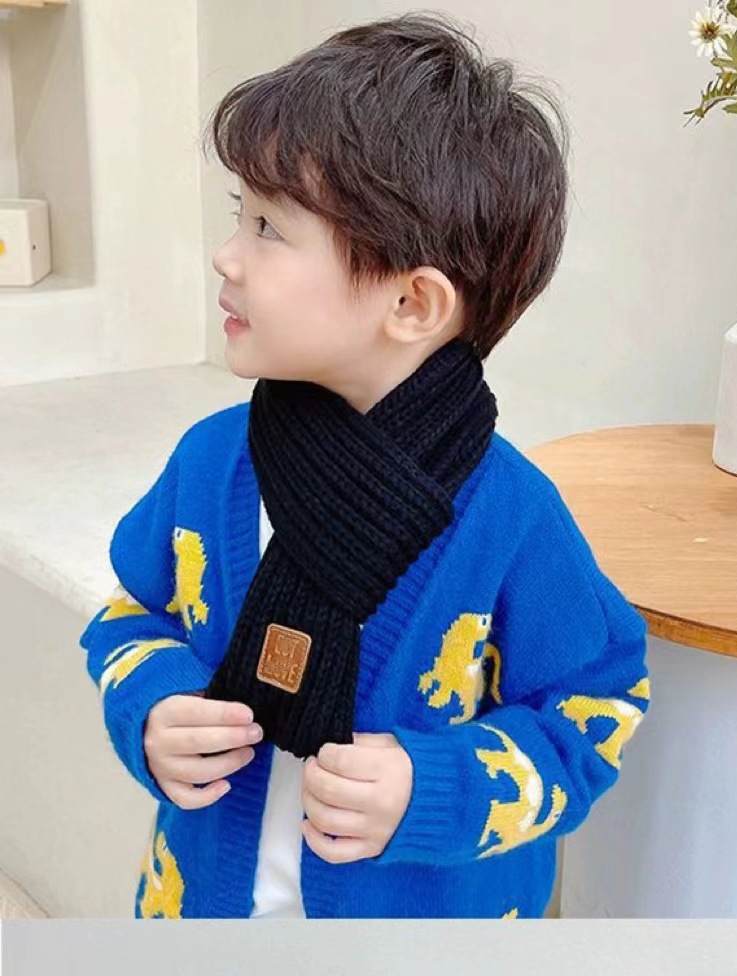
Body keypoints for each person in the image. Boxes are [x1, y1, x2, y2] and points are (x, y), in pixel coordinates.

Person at [79, 11, 650, 920]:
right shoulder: (212, 462)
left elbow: (596, 710)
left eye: (270, 228)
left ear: (413, 303)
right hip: (204, 913)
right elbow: (128, 615)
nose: (226, 255)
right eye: (239, 215)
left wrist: (438, 787)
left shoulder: (512, 517)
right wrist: (151, 703)